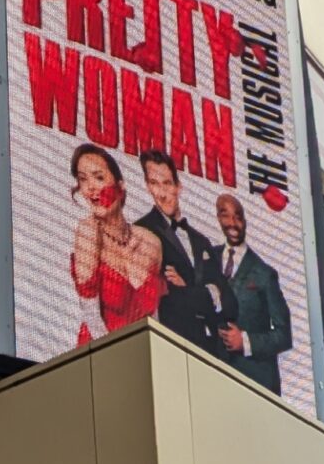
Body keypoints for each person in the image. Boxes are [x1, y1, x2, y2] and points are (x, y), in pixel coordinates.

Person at [134, 148, 226, 355]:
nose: (162, 193)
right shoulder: (141, 232)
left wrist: (187, 288)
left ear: (178, 186)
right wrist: (208, 293)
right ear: (148, 186)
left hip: (214, 353)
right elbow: (166, 301)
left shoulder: (201, 240)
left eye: (167, 183)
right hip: (173, 351)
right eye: (154, 184)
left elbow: (230, 302)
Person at [66, 143, 163, 340]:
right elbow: (91, 316)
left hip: (140, 357)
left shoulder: (151, 243)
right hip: (100, 355)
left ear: (120, 186)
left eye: (99, 177)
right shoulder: (88, 232)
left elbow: (154, 319)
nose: (90, 187)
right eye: (83, 179)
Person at [209, 192, 294, 396]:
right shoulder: (208, 257)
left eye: (238, 216)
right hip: (214, 380)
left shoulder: (265, 274)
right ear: (218, 218)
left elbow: (284, 335)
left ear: (245, 221)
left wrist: (246, 342)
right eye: (226, 215)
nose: (233, 223)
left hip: (255, 386)